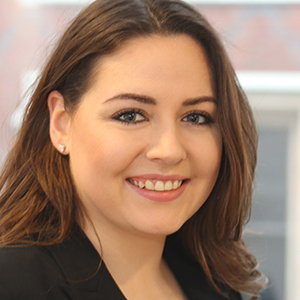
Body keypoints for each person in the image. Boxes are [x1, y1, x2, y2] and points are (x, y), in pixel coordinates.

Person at [0, 0, 266, 299]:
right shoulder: (12, 283)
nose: (169, 150)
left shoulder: (220, 285)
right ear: (62, 123)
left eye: (195, 117)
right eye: (130, 115)